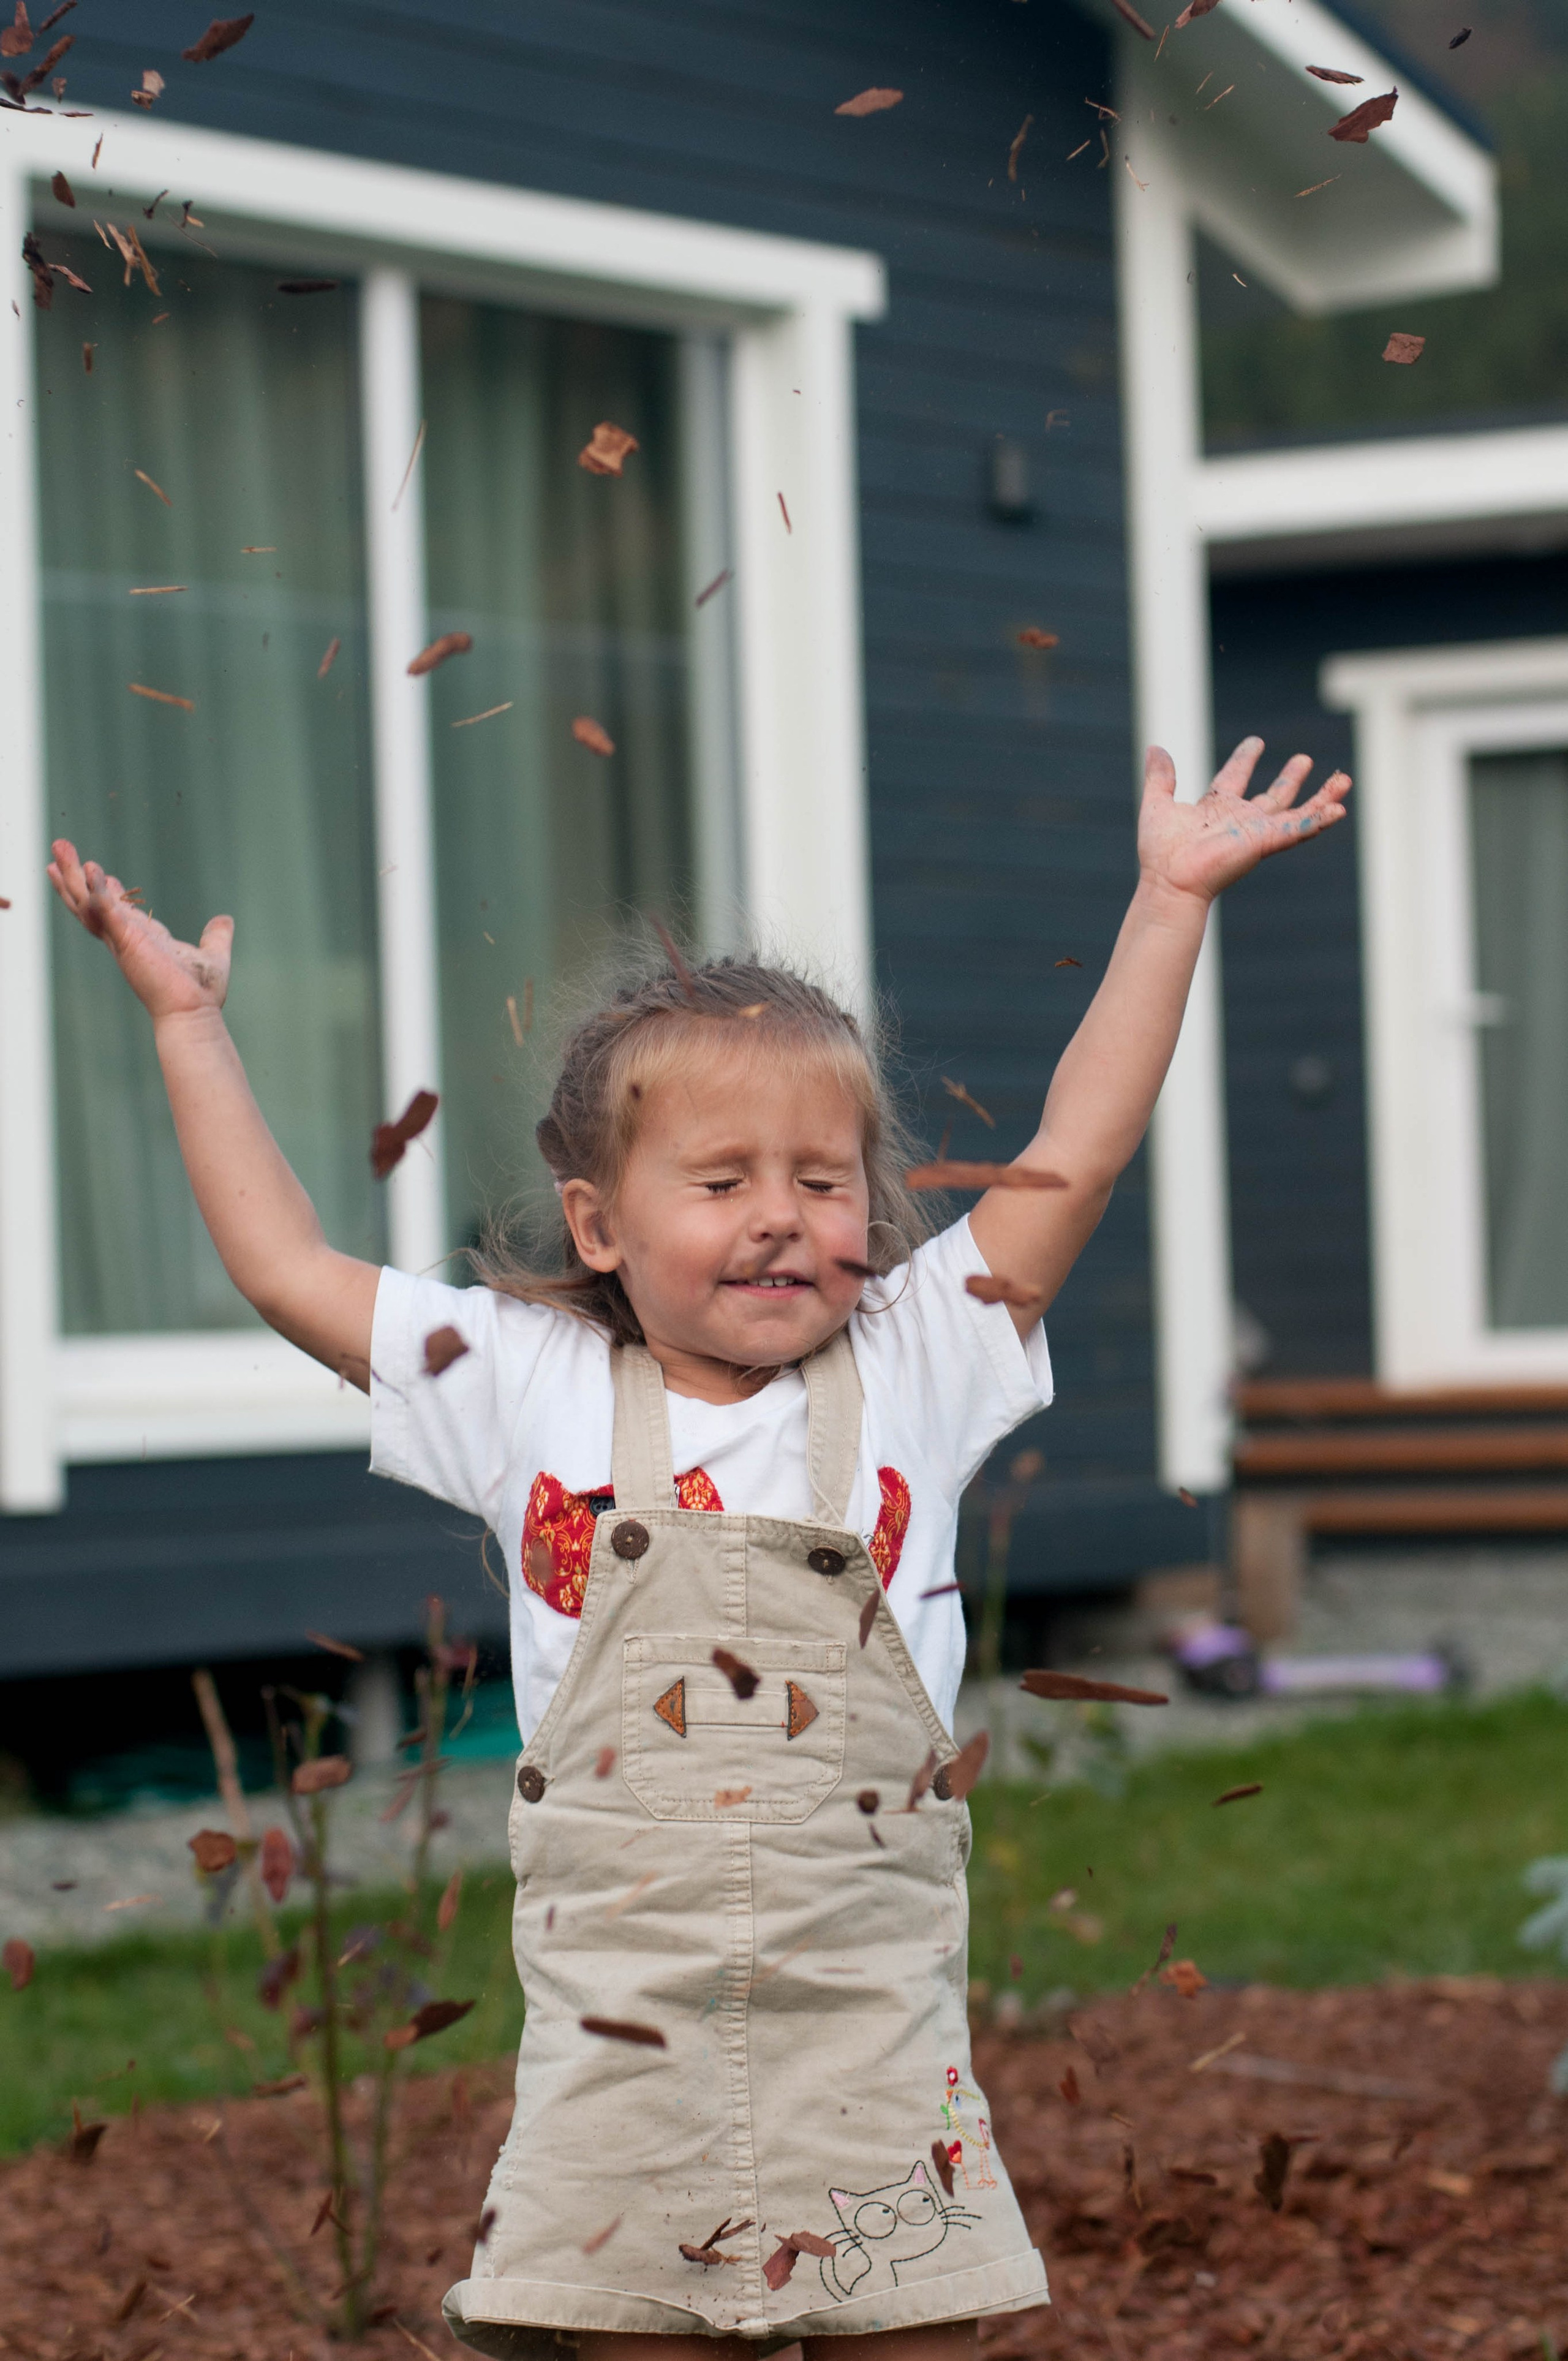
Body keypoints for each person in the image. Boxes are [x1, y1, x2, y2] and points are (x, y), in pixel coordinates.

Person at [48, 735, 1349, 2361]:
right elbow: (281, 1263)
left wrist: (1166, 904)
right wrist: (187, 1024)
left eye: (823, 1178)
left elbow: (1073, 1154)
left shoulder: (921, 1352)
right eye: (722, 1179)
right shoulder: (517, 1378)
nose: (784, 1214)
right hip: (625, 2038)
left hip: (872, 2021)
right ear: (600, 1223)